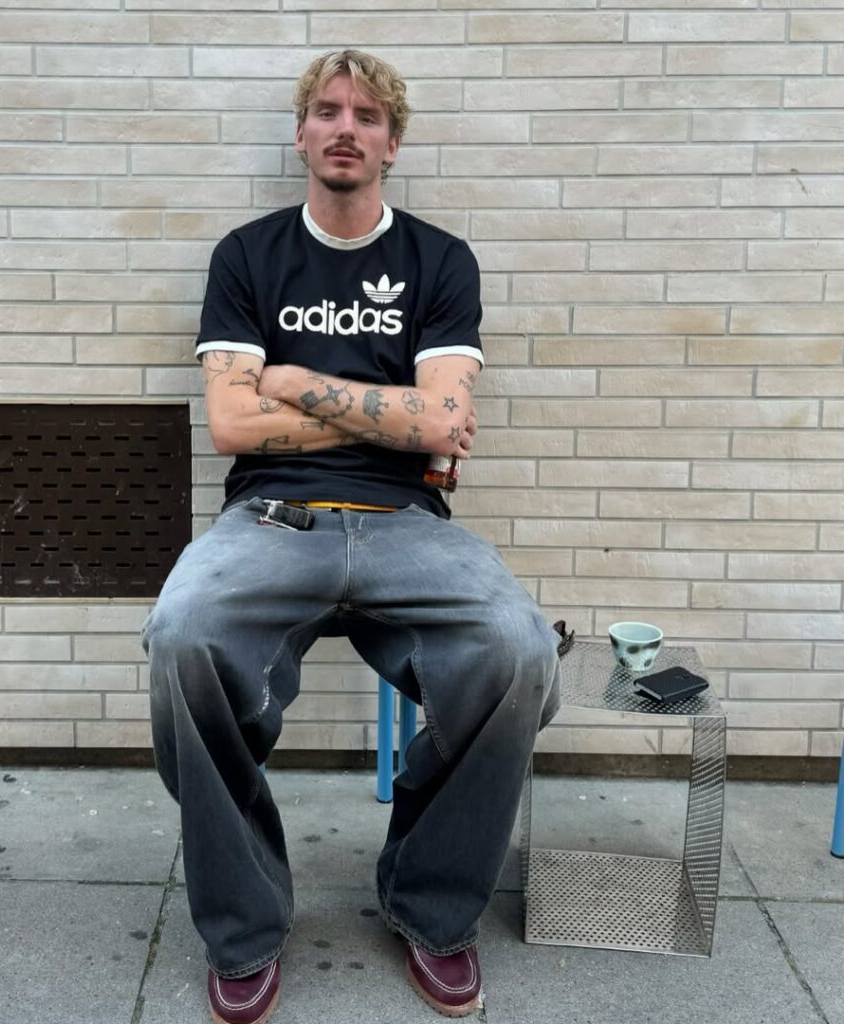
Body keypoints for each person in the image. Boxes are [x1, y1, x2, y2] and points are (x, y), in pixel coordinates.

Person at [141, 49, 561, 1024]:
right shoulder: (247, 256)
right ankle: (244, 924)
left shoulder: (438, 261)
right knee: (183, 637)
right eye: (327, 111)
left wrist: (291, 383)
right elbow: (233, 426)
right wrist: (390, 415)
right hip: (270, 519)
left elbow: (443, 424)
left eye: (367, 116)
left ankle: (431, 902)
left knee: (519, 652)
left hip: (408, 522)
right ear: (300, 134)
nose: (345, 128)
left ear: (392, 143)